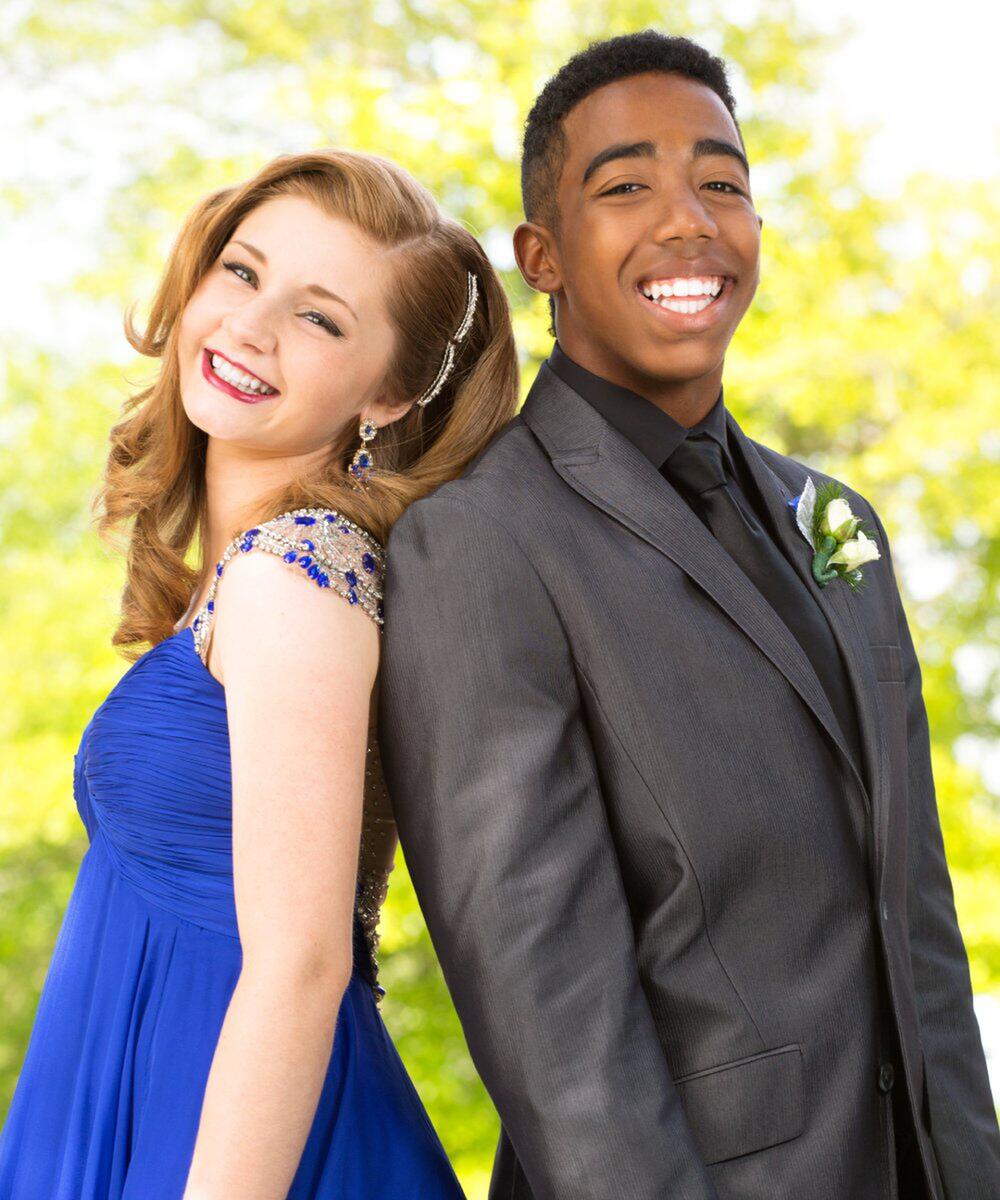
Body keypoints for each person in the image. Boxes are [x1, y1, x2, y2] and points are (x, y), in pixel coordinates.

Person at [379, 31, 1000, 1200]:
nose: (688, 220)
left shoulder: (838, 523)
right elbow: (548, 1009)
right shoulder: (479, 542)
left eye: (722, 183)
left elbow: (918, 924)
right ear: (542, 254)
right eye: (625, 188)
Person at [0, 148, 518, 1199]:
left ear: (389, 392)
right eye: (242, 273)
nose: (250, 325)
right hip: (156, 1110)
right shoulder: (244, 576)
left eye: (320, 318)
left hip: (235, 1153)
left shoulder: (296, 573)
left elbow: (301, 963)